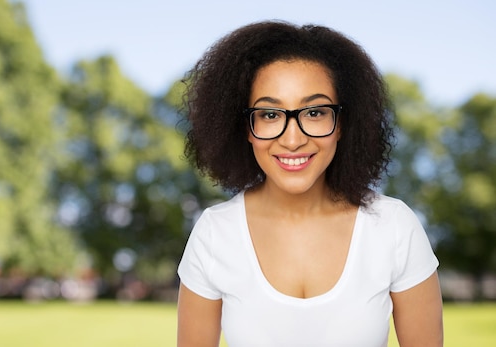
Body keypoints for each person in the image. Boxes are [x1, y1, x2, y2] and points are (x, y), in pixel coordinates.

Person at [176, 21, 443, 347]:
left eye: (315, 112)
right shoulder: (214, 233)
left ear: (342, 123)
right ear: (245, 126)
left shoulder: (394, 228)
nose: (292, 139)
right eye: (270, 115)